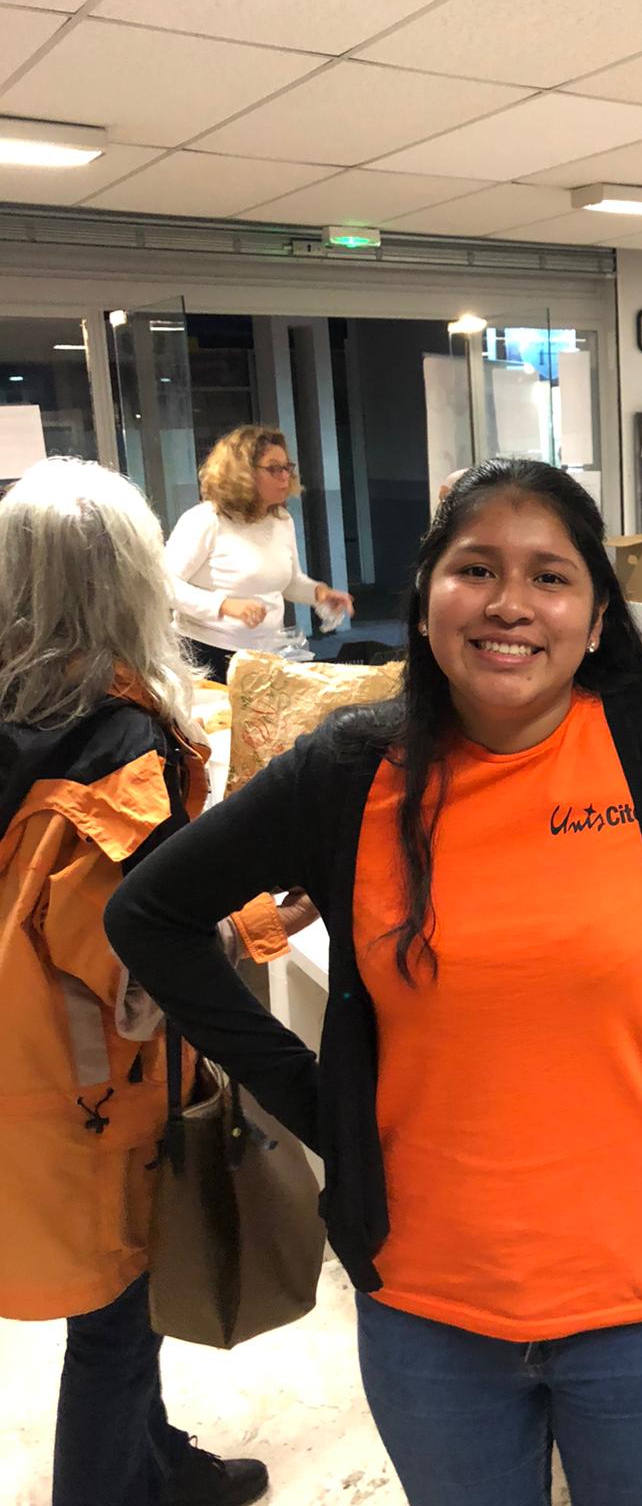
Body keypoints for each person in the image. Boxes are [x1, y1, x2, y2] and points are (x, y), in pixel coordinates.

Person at [106, 458, 642, 1506]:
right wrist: (315, 1099)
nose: (510, 603)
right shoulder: (351, 771)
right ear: (427, 597)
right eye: (476, 569)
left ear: (596, 619)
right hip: (427, 1308)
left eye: (550, 576)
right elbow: (149, 913)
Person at [0, 458, 290, 1506]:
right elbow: (139, 973)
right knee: (116, 1323)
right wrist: (268, 918)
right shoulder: (121, 751)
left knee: (121, 1302)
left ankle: (151, 1463)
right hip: (94, 1095)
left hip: (26, 1074)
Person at [165, 424, 354, 683]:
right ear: (242, 473)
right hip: (206, 654)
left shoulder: (281, 520)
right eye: (274, 468)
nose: (285, 476)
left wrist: (319, 593)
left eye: (287, 467)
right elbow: (163, 584)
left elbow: (290, 582)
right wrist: (223, 605)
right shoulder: (205, 519)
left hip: (266, 653)